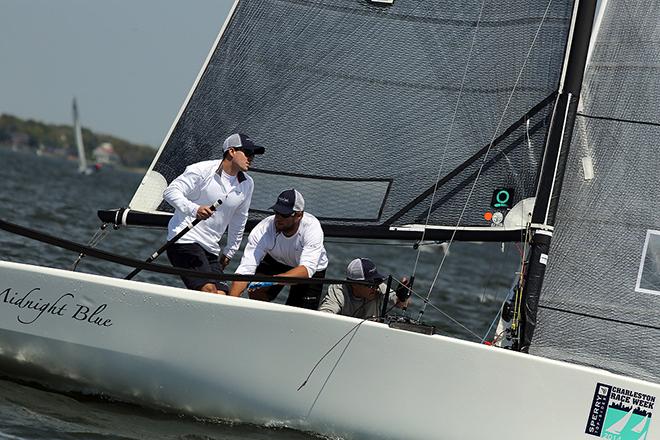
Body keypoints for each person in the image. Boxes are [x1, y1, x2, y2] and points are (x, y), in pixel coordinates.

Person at [163, 133, 264, 294]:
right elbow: (170, 192)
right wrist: (194, 209)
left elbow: (240, 218)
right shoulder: (201, 170)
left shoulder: (247, 183)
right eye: (247, 153)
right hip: (184, 240)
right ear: (231, 151)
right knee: (209, 291)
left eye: (253, 155)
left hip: (211, 248)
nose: (251, 158)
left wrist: (230, 251)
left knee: (222, 295)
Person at [228, 189, 328, 309]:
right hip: (276, 259)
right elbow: (244, 271)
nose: (278, 218)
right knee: (256, 290)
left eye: (284, 214)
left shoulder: (312, 228)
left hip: (308, 269)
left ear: (299, 215)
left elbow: (307, 270)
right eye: (277, 212)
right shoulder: (263, 230)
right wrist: (229, 306)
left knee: (297, 314)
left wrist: (274, 280)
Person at [318, 258, 410, 319]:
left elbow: (400, 304)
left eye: (376, 282)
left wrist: (402, 296)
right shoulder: (338, 291)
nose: (375, 287)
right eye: (370, 284)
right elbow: (324, 315)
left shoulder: (379, 287)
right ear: (354, 284)